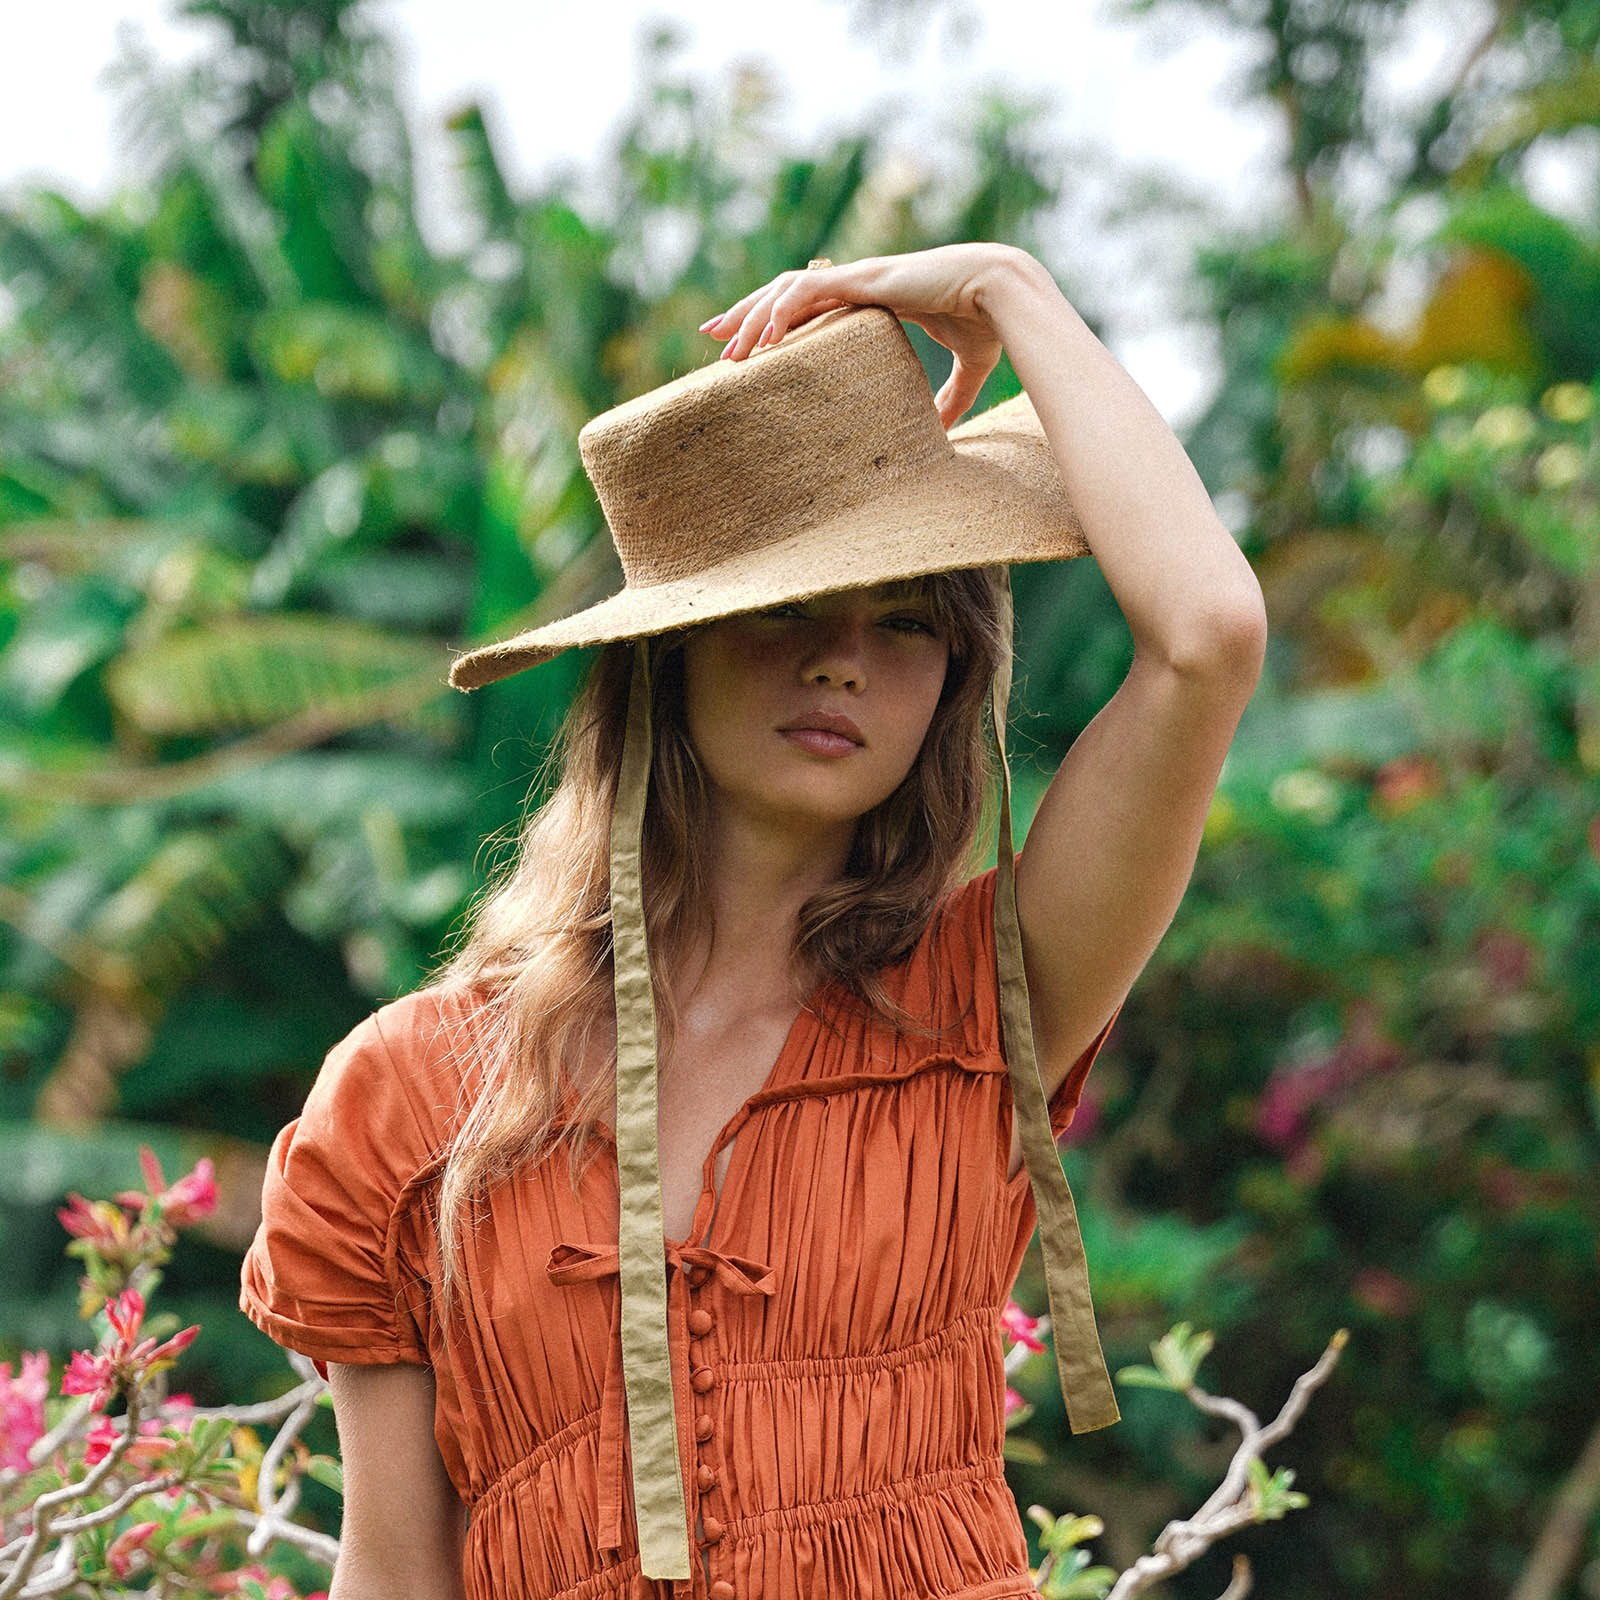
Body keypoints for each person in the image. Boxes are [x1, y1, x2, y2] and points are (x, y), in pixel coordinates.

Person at [239, 243, 1267, 1600]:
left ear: (949, 686)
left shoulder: (988, 994)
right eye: (787, 607)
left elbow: (1207, 634)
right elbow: (394, 1573)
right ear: (666, 653)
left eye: (907, 622)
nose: (842, 655)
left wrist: (1012, 290)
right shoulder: (411, 1095)